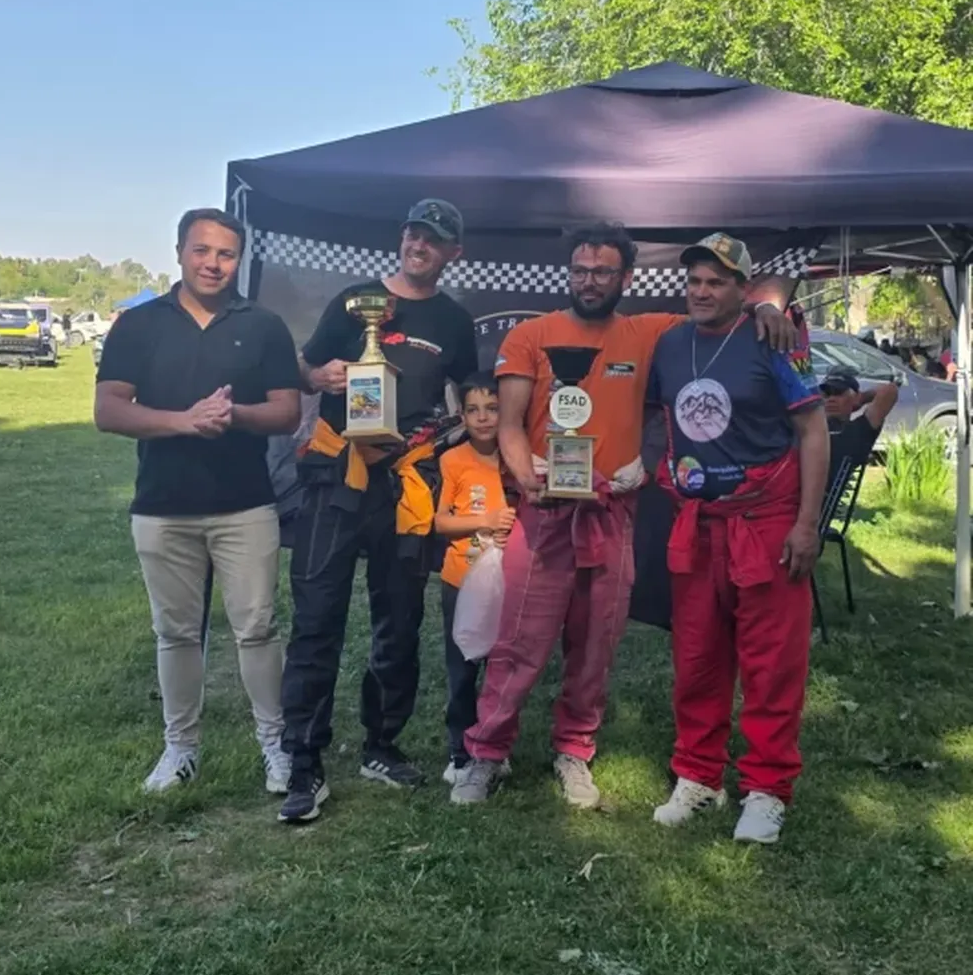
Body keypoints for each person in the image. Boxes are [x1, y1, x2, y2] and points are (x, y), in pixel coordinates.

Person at [452, 223, 798, 809]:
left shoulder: (651, 333)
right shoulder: (531, 334)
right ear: (569, 273)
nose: (590, 281)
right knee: (519, 642)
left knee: (596, 645)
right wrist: (529, 478)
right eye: (581, 270)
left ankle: (574, 751)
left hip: (612, 514)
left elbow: (729, 305)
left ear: (626, 278)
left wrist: (769, 306)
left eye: (603, 271)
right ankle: (487, 753)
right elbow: (509, 424)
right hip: (545, 515)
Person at [279, 198, 478, 823]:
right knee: (317, 620)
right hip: (337, 476)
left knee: (399, 620)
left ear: (453, 253)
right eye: (414, 234)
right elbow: (303, 369)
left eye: (434, 239)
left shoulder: (452, 320)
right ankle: (303, 764)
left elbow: (472, 395)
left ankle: (381, 745)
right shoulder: (354, 300)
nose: (420, 245)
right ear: (402, 238)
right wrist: (323, 375)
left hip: (407, 482)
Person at [94, 208, 301, 794]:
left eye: (226, 254)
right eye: (202, 250)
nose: (213, 263)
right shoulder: (138, 325)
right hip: (162, 506)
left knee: (257, 627)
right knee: (177, 633)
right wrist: (185, 421)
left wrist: (232, 416)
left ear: (240, 260)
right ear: (180, 251)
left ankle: (276, 746)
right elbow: (109, 410)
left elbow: (287, 411)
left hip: (245, 505)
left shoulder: (263, 325)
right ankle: (180, 748)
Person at [650, 234, 829, 845]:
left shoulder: (775, 338)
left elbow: (812, 430)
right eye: (695, 280)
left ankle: (766, 789)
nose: (702, 291)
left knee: (772, 662)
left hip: (768, 521)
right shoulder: (670, 344)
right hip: (699, 524)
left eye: (717, 282)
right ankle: (698, 776)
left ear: (742, 289)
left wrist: (808, 525)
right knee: (697, 658)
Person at [434, 372, 516, 781]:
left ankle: (494, 746)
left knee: (501, 667)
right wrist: (484, 520)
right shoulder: (453, 460)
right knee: (462, 667)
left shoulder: (519, 458)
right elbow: (441, 522)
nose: (483, 418)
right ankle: (459, 751)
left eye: (493, 408)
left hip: (510, 580)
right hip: (461, 579)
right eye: (473, 410)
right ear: (462, 415)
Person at [822, 366, 900, 472]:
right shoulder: (809, 427)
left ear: (855, 397)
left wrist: (860, 400)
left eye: (838, 393)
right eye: (826, 394)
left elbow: (890, 390)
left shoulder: (859, 430)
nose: (831, 399)